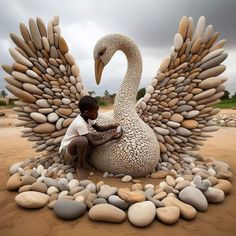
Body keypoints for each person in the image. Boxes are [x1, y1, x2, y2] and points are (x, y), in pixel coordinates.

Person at [59, 95, 122, 179]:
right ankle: (80, 167)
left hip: (73, 150)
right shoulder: (80, 123)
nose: (97, 114)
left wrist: (112, 126)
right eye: (95, 112)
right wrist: (111, 138)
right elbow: (93, 143)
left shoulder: (88, 118)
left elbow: (99, 129)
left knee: (97, 137)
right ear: (86, 113)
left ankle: (79, 161)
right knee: (83, 140)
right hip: (66, 152)